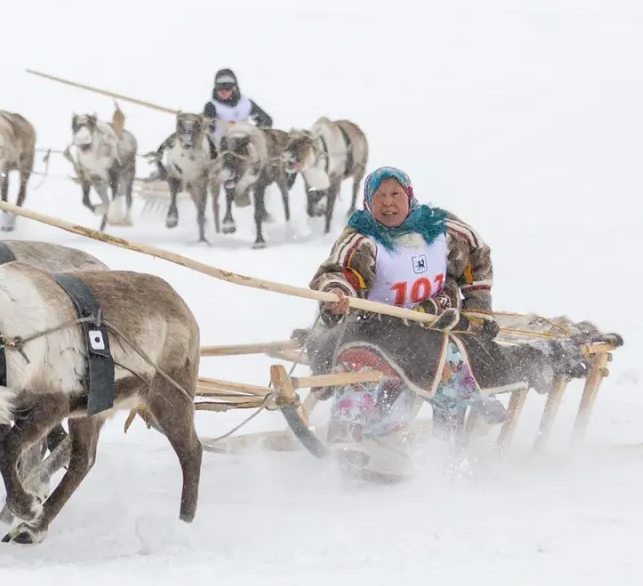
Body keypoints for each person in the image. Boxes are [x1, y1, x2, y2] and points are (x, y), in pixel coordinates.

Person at [307, 166, 501, 468]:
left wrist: (477, 308)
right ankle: (347, 435)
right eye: (380, 196)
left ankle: (450, 448)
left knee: (446, 361)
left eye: (395, 194)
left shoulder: (443, 229)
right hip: (376, 326)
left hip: (434, 317)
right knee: (358, 360)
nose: (388, 203)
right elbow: (339, 273)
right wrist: (338, 295)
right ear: (368, 203)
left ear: (409, 197)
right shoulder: (361, 240)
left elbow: (476, 258)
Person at [201, 68, 272, 136]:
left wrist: (253, 131)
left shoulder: (246, 104)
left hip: (244, 142)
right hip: (220, 144)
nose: (224, 92)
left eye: (227, 89)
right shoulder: (212, 106)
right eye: (220, 89)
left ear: (234, 88)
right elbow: (207, 129)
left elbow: (266, 120)